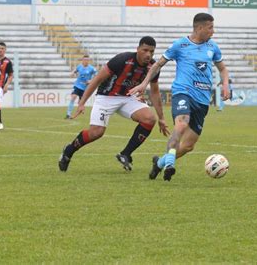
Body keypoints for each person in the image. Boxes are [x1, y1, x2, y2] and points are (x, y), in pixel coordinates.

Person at [128, 13, 230, 181]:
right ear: (199, 28)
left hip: (203, 100)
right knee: (181, 124)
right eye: (210, 27)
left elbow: (223, 69)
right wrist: (144, 83)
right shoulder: (180, 45)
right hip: (183, 92)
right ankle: (170, 165)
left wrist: (225, 83)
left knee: (188, 145)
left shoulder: (213, 47)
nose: (213, 31)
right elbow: (157, 64)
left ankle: (160, 163)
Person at [58, 36, 169, 172]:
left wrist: (162, 118)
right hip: (107, 97)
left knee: (149, 119)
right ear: (138, 49)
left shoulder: (153, 67)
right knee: (96, 133)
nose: (148, 54)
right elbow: (97, 79)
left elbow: (155, 92)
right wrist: (82, 103)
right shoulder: (122, 60)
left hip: (128, 98)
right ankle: (69, 150)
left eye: (151, 52)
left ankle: (125, 153)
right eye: (145, 50)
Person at [65, 55, 97, 119]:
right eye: (85, 60)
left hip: (85, 88)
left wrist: (91, 81)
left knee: (80, 103)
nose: (86, 61)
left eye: (87, 60)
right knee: (73, 97)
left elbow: (96, 76)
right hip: (77, 85)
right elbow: (75, 71)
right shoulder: (79, 66)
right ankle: (68, 114)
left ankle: (76, 114)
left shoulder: (92, 68)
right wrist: (72, 73)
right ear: (82, 60)